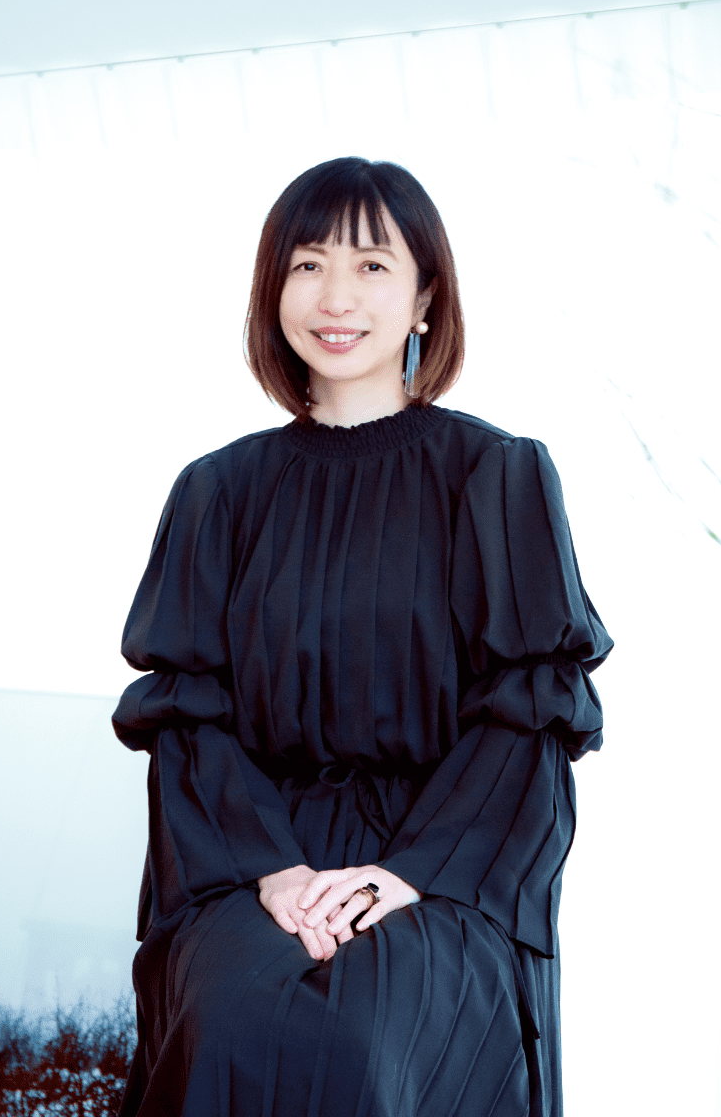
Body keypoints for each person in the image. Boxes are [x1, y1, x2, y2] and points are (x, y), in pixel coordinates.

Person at [112, 156, 613, 1117]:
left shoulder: (498, 476)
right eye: (307, 265)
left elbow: (536, 712)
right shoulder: (217, 492)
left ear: (426, 299)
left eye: (372, 266)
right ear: (274, 291)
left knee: (366, 1033)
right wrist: (273, 872)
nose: (335, 297)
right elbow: (183, 715)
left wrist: (409, 873)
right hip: (254, 867)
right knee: (229, 1018)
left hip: (444, 872)